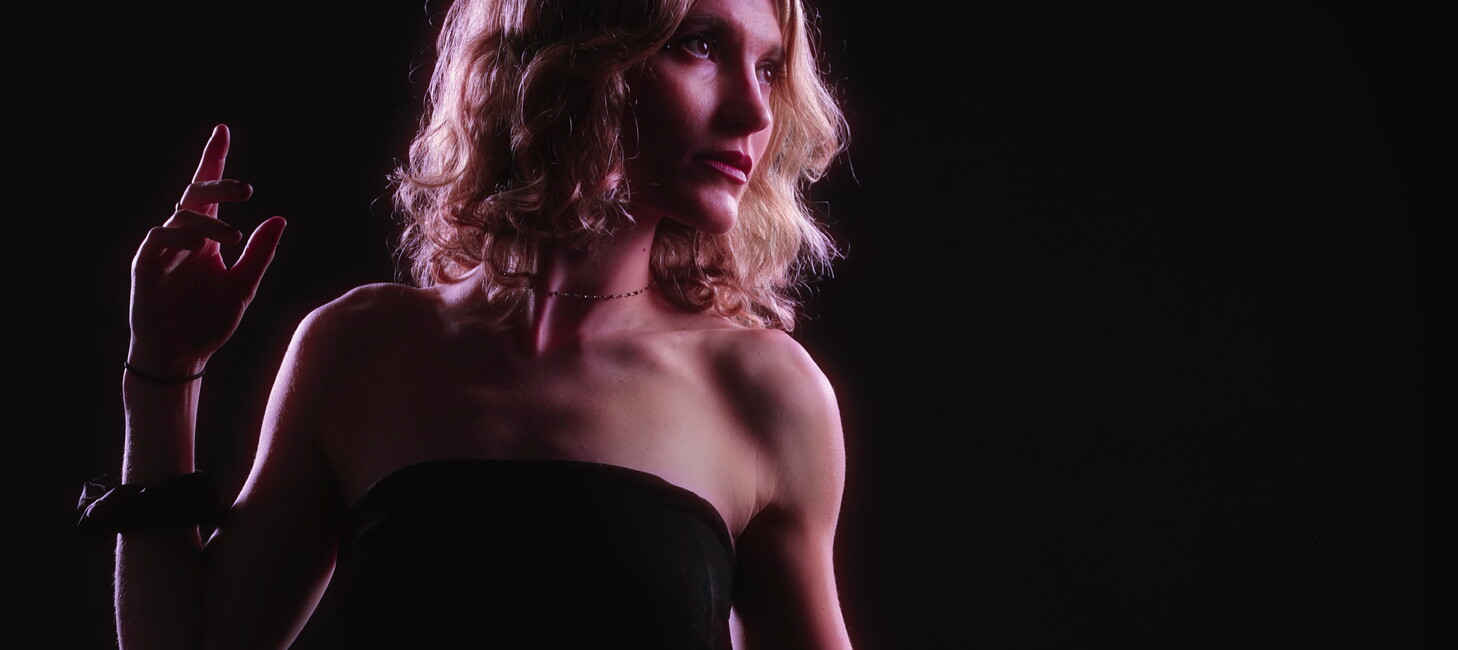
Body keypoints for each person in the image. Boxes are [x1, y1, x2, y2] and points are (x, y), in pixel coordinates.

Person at [96, 0, 851, 647]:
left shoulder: (765, 393)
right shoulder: (357, 350)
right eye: (700, 45)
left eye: (769, 69)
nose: (756, 111)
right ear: (579, 52)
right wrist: (164, 373)